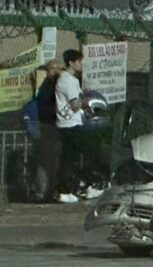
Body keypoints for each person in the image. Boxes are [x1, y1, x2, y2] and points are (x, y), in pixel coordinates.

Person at [55, 49, 84, 204]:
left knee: (70, 157)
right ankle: (65, 189)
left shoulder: (69, 79)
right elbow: (75, 104)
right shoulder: (69, 80)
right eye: (79, 61)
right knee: (70, 157)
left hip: (69, 123)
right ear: (71, 63)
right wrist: (83, 97)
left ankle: (68, 188)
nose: (81, 64)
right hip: (70, 124)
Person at [30, 59, 61, 203]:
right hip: (49, 125)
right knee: (46, 160)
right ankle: (42, 192)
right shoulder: (48, 86)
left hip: (54, 125)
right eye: (51, 69)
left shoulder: (55, 85)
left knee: (52, 160)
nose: (54, 72)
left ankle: (48, 191)